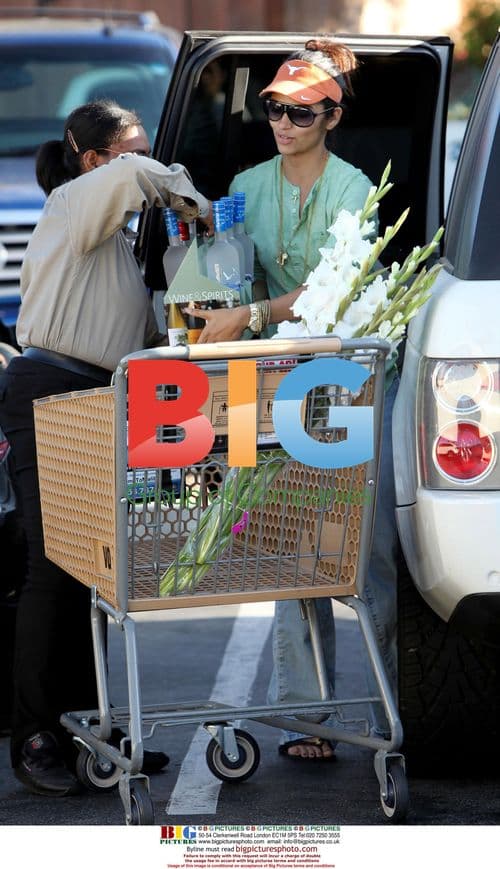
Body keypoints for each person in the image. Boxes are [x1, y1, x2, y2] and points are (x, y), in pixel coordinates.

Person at [190, 38, 399, 759]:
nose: (283, 122)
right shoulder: (245, 183)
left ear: (333, 117)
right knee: (292, 547)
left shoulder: (355, 188)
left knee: (362, 553)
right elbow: (230, 274)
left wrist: (250, 316)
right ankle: (306, 716)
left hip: (347, 381)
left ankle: (380, 712)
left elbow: (336, 291)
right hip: (276, 380)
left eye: (301, 114)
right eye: (274, 108)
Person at [0, 99, 211, 796]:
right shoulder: (73, 202)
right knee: (48, 566)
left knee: (92, 570)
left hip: (101, 398)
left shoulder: (120, 239)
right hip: (50, 390)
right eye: (130, 149)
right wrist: (182, 185)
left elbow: (180, 313)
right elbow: (139, 178)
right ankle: (33, 732)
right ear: (92, 159)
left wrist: (190, 237)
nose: (142, 162)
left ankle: (85, 724)